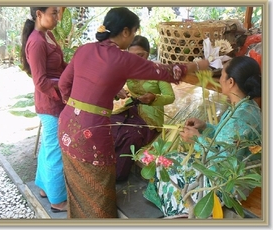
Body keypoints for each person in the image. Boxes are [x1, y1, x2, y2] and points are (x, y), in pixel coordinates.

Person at [57, 7, 209, 218]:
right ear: (126, 31)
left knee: (75, 186)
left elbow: (65, 84)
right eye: (135, 32)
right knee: (98, 188)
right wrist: (198, 65)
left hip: (67, 125)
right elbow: (164, 71)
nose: (133, 38)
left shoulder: (85, 49)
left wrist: (78, 107)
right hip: (92, 132)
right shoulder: (122, 59)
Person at [144, 55, 262, 217]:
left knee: (164, 163)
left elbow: (222, 159)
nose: (219, 79)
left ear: (231, 82)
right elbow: (225, 138)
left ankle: (180, 210)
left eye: (221, 75)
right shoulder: (246, 104)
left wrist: (197, 140)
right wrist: (206, 127)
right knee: (170, 157)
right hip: (230, 171)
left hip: (226, 183)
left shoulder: (239, 119)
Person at [20, 7, 67, 213]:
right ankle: (57, 201)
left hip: (53, 101)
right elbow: (40, 81)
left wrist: (74, 72)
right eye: (53, 13)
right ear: (39, 14)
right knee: (56, 149)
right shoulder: (37, 42)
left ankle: (43, 188)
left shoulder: (47, 35)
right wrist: (64, 88)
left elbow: (60, 65)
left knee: (49, 147)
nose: (57, 17)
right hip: (50, 103)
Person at [111, 35, 175, 181]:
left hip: (151, 115)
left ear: (148, 52)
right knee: (111, 124)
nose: (137, 60)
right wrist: (116, 91)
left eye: (141, 55)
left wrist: (154, 97)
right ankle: (104, 166)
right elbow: (114, 86)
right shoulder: (126, 69)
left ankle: (118, 174)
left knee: (131, 135)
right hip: (131, 108)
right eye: (132, 56)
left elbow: (170, 97)